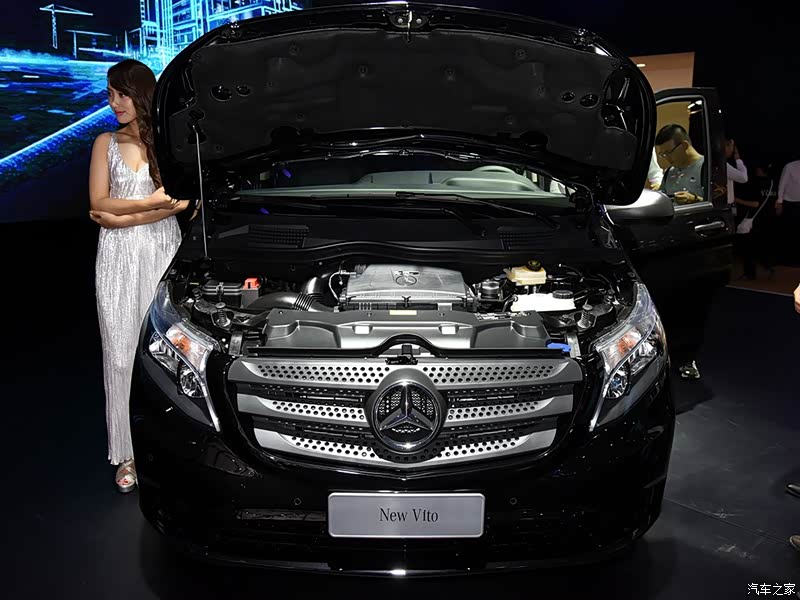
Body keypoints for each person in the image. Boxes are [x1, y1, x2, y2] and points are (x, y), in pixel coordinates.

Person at [88, 59, 189, 493]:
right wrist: (150, 205)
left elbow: (184, 203)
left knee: (170, 353)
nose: (115, 103)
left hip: (163, 250)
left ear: (141, 94)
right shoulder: (105, 142)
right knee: (120, 355)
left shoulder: (166, 142)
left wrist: (122, 215)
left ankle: (174, 451)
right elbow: (97, 205)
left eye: (122, 94)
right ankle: (127, 453)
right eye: (110, 95)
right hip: (117, 257)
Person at [655, 124, 704, 205]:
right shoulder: (669, 172)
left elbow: (717, 204)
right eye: (663, 154)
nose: (667, 158)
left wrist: (695, 199)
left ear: (684, 145)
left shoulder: (706, 167)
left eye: (668, 153)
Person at [776, 159, 800, 265]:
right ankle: (788, 259)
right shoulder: (790, 166)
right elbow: (782, 185)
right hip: (790, 204)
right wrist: (779, 202)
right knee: (790, 232)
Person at [725, 138, 748, 212]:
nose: (732, 150)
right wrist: (738, 160)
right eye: (732, 146)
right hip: (724, 206)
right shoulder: (724, 166)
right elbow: (744, 178)